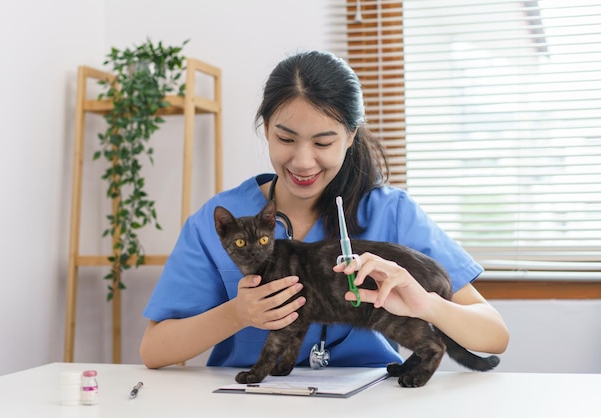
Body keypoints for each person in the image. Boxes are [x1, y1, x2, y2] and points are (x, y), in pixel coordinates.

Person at [140, 50, 509, 370]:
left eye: (323, 142)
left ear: (349, 137)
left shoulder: (392, 212)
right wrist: (237, 314)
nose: (303, 161)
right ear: (265, 129)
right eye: (285, 139)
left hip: (367, 401)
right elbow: (154, 350)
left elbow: (494, 334)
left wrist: (426, 304)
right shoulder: (220, 221)